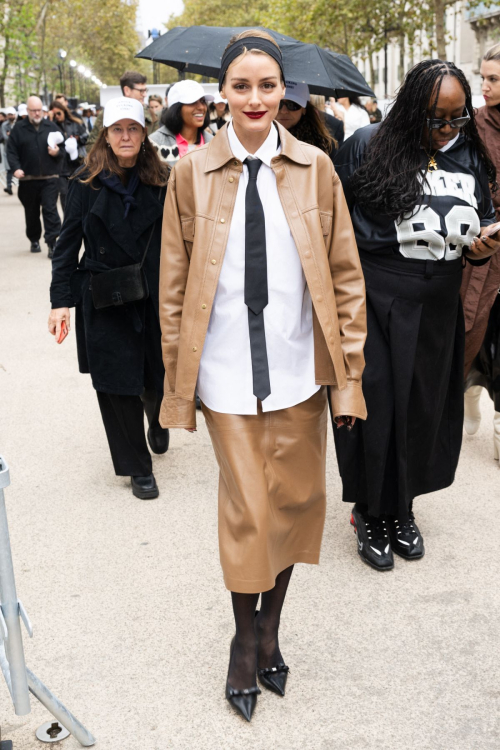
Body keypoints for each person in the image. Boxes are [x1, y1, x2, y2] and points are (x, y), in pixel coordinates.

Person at [158, 29, 366, 721]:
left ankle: (273, 626)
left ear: (286, 94)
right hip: (222, 374)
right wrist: (175, 385)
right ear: (222, 92)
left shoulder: (316, 168)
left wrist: (350, 379)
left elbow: (344, 277)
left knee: (298, 505)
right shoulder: (190, 173)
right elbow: (173, 282)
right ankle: (244, 642)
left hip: (298, 370)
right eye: (241, 85)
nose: (254, 98)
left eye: (267, 85)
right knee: (250, 511)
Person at [333, 59, 499, 572]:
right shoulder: (367, 143)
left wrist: (481, 248)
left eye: (456, 118)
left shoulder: (470, 153)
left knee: (423, 410)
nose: (446, 130)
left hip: (438, 305)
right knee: (376, 407)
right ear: (409, 108)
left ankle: (402, 507)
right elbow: (334, 223)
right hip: (378, 298)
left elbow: (477, 226)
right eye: (435, 119)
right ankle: (370, 511)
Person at [48, 97, 170, 499]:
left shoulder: (162, 178)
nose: (125, 136)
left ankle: (157, 415)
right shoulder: (85, 182)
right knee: (117, 383)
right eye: (117, 129)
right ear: (105, 135)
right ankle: (137, 467)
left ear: (143, 134)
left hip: (151, 292)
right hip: (104, 296)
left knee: (157, 375)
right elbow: (67, 246)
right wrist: (59, 302)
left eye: (132, 128)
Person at [462, 42, 500, 459]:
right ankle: (469, 389)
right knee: (470, 330)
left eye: (493, 79)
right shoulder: (471, 125)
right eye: (483, 77)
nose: (484, 86)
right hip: (479, 249)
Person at [7, 95, 63, 256]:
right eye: (34, 111)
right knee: (31, 213)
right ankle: (34, 239)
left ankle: (52, 243)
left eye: (39, 110)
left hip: (49, 178)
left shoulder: (51, 127)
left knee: (50, 210)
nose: (37, 113)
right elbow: (11, 152)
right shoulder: (19, 128)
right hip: (28, 179)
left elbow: (63, 148)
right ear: (28, 111)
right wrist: (16, 168)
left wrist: (57, 152)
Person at [150, 80, 214, 167]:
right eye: (193, 101)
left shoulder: (214, 143)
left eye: (203, 101)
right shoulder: (155, 143)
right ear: (176, 109)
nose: (201, 107)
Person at [87, 71, 153, 147]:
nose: (145, 95)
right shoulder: (108, 113)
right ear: (127, 90)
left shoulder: (150, 114)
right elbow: (91, 144)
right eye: (141, 91)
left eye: (145, 90)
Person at [276, 83, 337, 158]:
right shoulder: (259, 138)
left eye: (292, 105)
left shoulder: (325, 145)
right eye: (278, 104)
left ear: (304, 109)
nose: (284, 111)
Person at [50, 99, 88, 213]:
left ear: (64, 111)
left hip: (77, 163)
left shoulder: (75, 122)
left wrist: (77, 139)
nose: (57, 116)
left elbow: (86, 137)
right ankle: (68, 224)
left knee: (81, 195)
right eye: (54, 114)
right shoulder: (52, 126)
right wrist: (50, 119)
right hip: (61, 166)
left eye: (59, 113)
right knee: (65, 197)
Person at [2, 107, 17, 195]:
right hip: (7, 150)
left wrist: (11, 134)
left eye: (12, 114)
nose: (10, 116)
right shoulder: (4, 125)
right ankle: (9, 187)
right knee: (9, 169)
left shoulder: (18, 124)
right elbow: (5, 137)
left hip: (18, 150)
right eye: (9, 115)